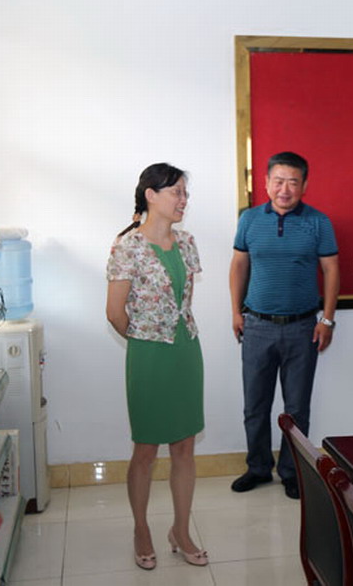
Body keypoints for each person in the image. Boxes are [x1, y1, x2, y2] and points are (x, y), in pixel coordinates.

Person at [106, 163, 208, 570]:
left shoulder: (187, 242)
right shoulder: (127, 246)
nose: (183, 200)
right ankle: (141, 529)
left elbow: (183, 302)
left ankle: (180, 530)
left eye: (185, 193)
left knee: (184, 446)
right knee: (146, 448)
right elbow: (115, 313)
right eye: (176, 192)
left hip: (186, 350)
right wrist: (145, 339)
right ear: (151, 195)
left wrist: (170, 333)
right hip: (148, 355)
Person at [229, 151, 339, 499]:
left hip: (302, 327)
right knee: (255, 405)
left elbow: (331, 270)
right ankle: (258, 467)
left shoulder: (318, 222)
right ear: (266, 183)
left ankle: (293, 472)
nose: (285, 189)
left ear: (304, 185)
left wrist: (327, 320)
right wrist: (235, 312)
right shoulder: (249, 219)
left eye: (293, 182)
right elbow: (239, 266)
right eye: (278, 181)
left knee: (297, 408)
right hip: (256, 325)